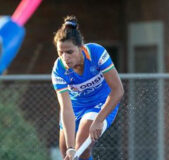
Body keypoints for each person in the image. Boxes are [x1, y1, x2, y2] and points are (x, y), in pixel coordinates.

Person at [51, 16, 124, 160]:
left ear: (81, 48)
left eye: (70, 52)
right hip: (75, 107)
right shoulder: (58, 69)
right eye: (61, 53)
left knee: (82, 148)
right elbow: (66, 109)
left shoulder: (96, 53)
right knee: (67, 152)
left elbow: (118, 90)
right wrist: (70, 148)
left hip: (101, 103)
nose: (65, 58)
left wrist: (99, 120)